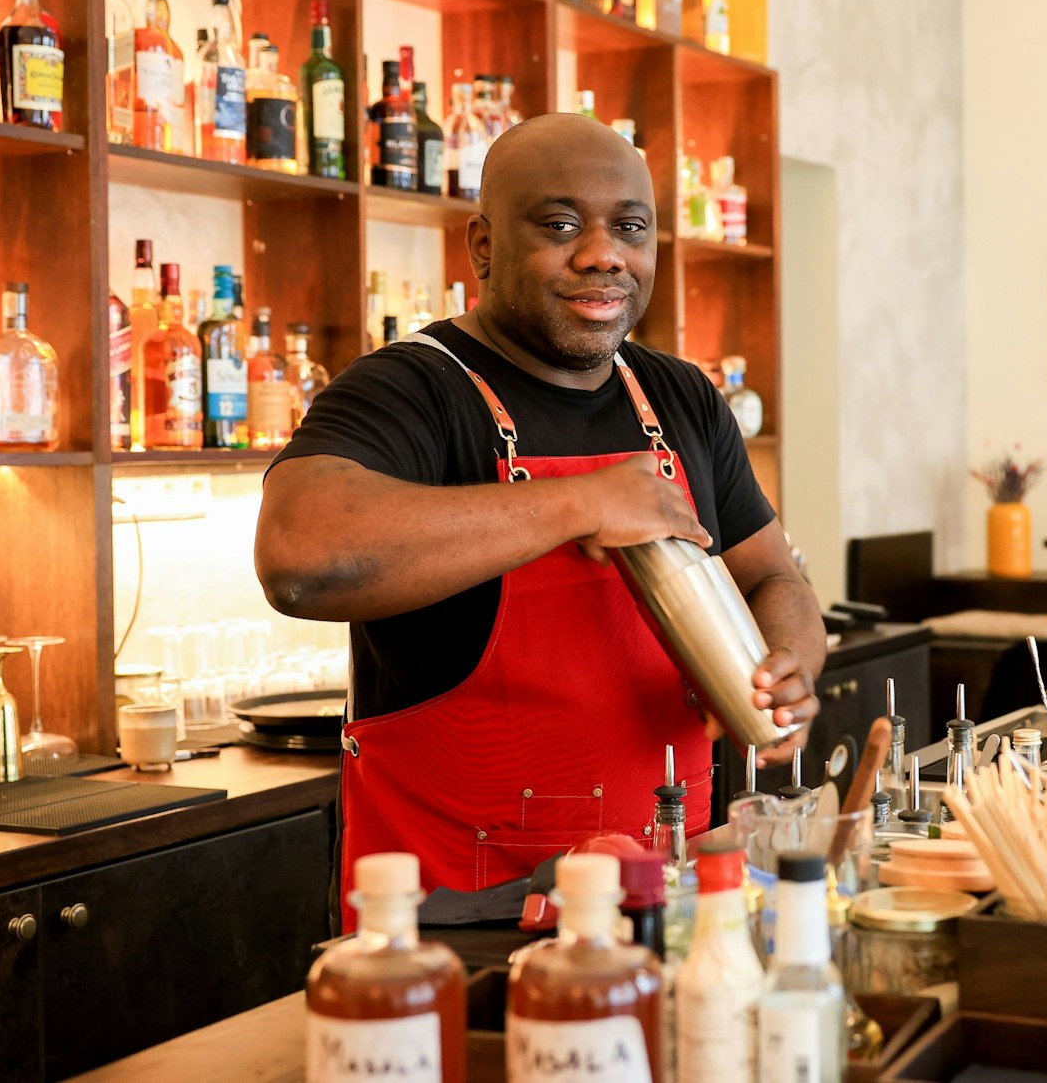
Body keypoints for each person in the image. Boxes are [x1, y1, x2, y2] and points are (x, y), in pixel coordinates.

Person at [255, 114, 823, 912]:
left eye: (631, 228)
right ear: (483, 246)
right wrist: (582, 502)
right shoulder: (409, 388)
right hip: (460, 924)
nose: (603, 254)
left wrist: (790, 663)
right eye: (560, 226)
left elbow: (773, 576)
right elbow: (298, 556)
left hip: (669, 899)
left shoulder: (681, 395)